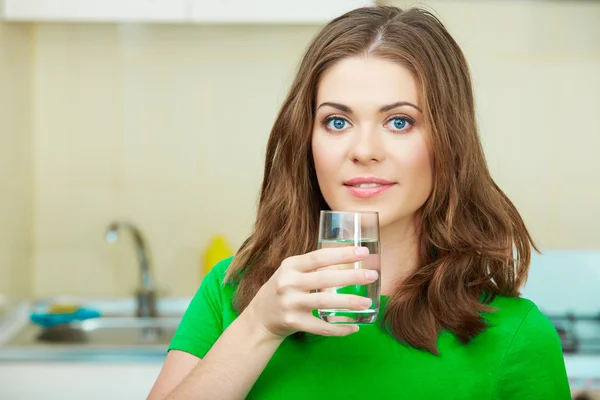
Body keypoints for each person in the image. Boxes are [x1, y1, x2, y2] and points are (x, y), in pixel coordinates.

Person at [148, 6, 571, 400]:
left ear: (448, 142)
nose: (364, 150)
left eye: (399, 121)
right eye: (337, 121)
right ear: (307, 141)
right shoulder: (232, 292)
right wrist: (258, 327)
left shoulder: (518, 336)